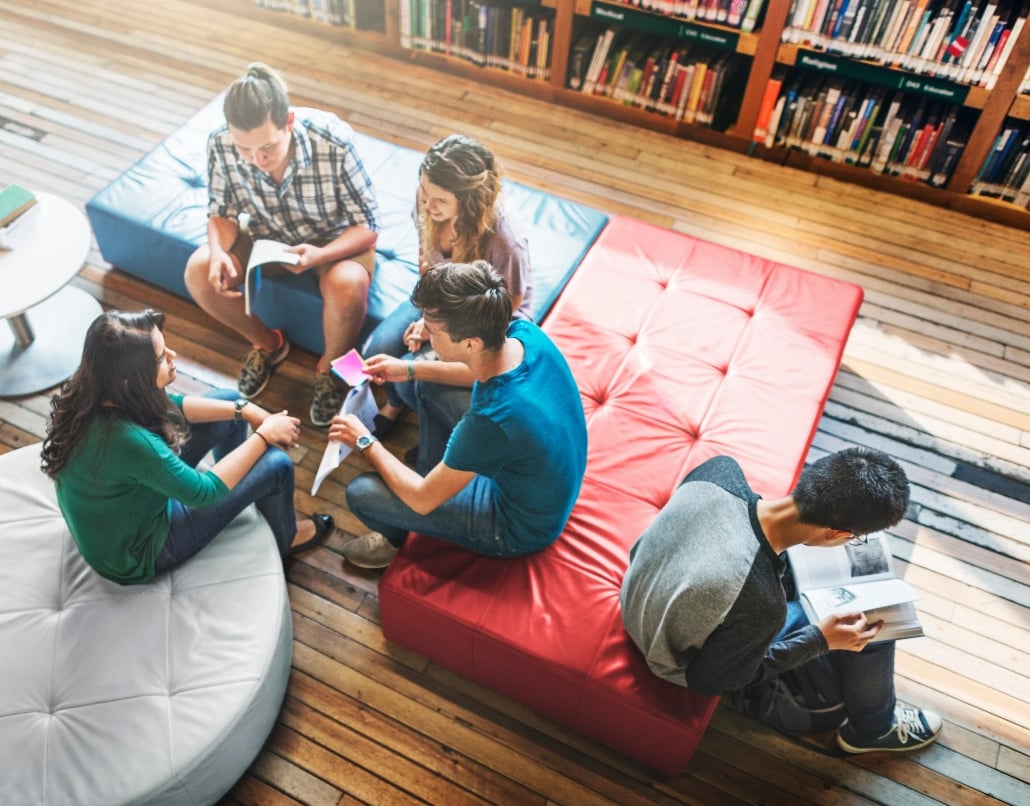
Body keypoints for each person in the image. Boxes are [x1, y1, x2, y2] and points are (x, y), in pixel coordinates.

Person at [620, 448, 943, 754]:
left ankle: (874, 719)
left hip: (639, 595)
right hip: (669, 653)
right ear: (835, 534)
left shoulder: (718, 471)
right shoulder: (759, 602)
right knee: (869, 623)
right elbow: (710, 681)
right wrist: (818, 640)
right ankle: (875, 730)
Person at [40, 309, 334, 585]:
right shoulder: (130, 442)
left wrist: (245, 410)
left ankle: (244, 487)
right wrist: (264, 436)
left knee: (229, 400)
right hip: (138, 553)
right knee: (277, 465)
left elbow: (172, 407)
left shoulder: (98, 391)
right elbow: (204, 492)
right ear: (131, 380)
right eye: (160, 358)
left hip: (123, 514)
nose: (172, 355)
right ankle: (286, 538)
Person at [329, 260, 586, 570]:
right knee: (427, 386)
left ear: (469, 342)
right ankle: (436, 471)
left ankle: (394, 537)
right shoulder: (523, 333)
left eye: (433, 331)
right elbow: (478, 372)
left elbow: (422, 500)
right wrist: (408, 369)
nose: (426, 335)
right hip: (548, 476)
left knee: (362, 492)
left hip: (518, 527)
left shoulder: (490, 422)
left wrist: (365, 441)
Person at [184, 61, 379, 428]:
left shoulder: (334, 141)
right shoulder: (220, 144)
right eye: (245, 149)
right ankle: (268, 345)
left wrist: (320, 255)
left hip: (334, 241)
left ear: (289, 121)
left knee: (347, 283)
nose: (257, 161)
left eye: (267, 147)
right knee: (198, 271)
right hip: (266, 235)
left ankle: (332, 369)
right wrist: (218, 252)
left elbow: (367, 227)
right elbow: (221, 212)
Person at [362, 133, 532, 447]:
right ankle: (398, 404)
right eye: (425, 193)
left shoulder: (505, 238)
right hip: (439, 295)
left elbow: (510, 302)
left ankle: (425, 424)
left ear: (468, 201)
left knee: (422, 383)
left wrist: (437, 326)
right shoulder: (427, 202)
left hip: (486, 316)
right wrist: (428, 318)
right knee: (377, 351)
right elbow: (426, 261)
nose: (428, 204)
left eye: (439, 200)